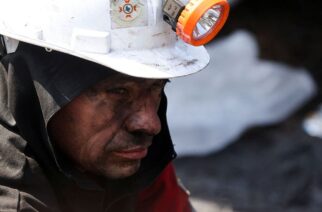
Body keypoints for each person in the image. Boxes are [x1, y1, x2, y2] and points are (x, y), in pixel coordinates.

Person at [0, 0, 228, 211]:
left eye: (156, 88)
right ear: (35, 84)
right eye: (118, 92)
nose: (151, 124)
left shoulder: (120, 153)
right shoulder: (12, 197)